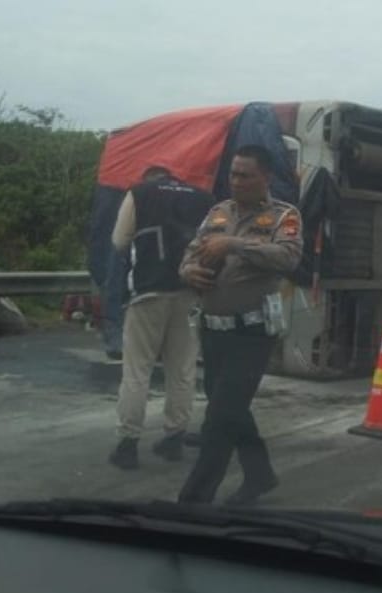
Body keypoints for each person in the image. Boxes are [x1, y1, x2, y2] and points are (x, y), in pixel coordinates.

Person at [176, 145, 303, 506]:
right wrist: (188, 271)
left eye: (245, 175)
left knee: (218, 419)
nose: (236, 181)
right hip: (214, 330)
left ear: (265, 177)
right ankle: (260, 474)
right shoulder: (217, 212)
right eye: (233, 173)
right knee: (230, 408)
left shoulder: (284, 216)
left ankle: (193, 502)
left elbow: (289, 257)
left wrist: (234, 245)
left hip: (252, 332)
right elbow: (191, 252)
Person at [107, 166, 213, 470]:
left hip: (148, 292)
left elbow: (119, 240)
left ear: (148, 178)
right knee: (182, 370)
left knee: (137, 370)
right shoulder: (204, 198)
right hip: (190, 292)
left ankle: (128, 444)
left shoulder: (139, 193)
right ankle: (174, 439)